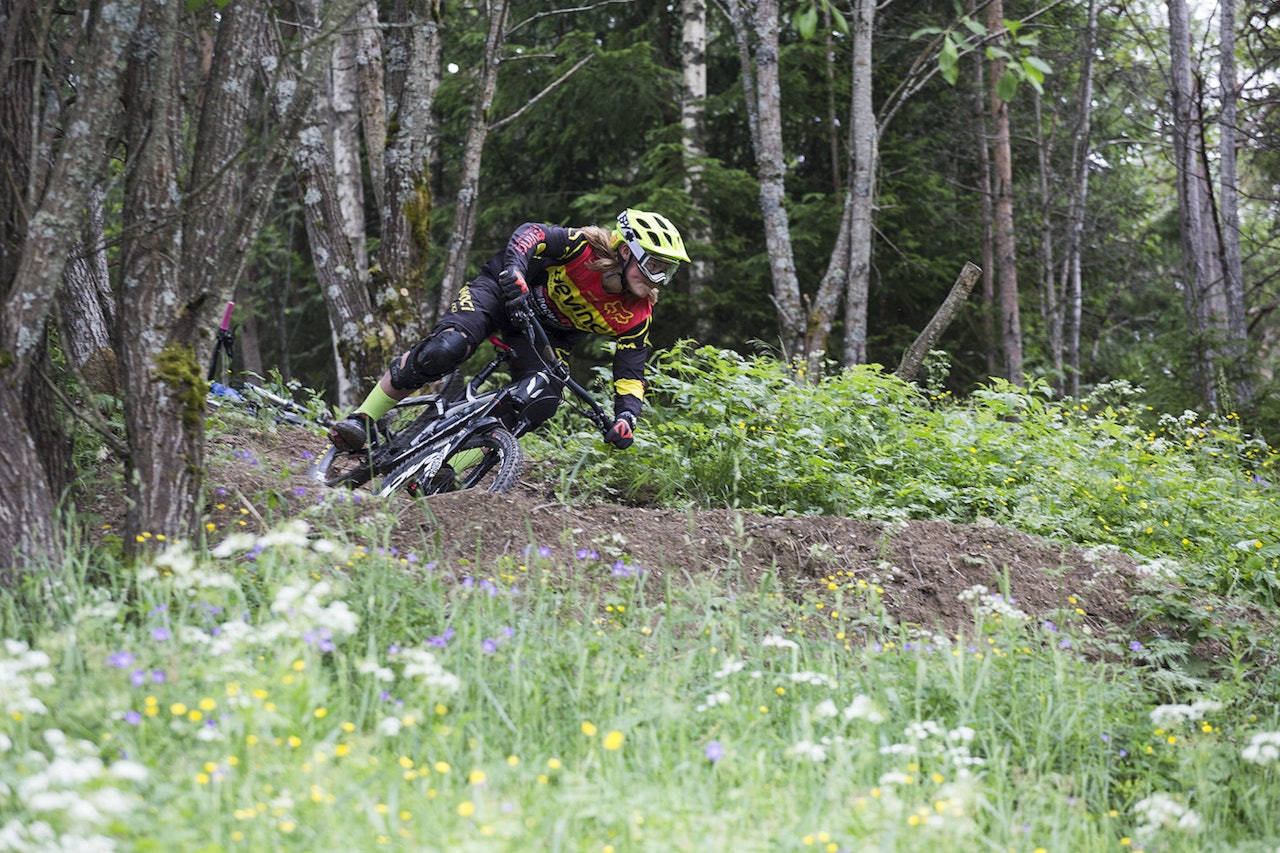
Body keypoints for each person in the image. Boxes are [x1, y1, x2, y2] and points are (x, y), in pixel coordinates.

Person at [329, 208, 690, 453]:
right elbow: (530, 233)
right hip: (502, 295)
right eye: (655, 265)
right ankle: (363, 417)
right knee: (446, 349)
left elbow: (631, 372)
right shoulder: (581, 249)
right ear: (626, 252)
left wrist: (626, 416)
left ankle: (449, 466)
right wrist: (515, 272)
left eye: (667, 270)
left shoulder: (637, 313)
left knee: (542, 402)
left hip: (544, 336)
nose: (659, 278)